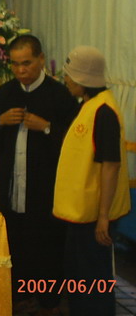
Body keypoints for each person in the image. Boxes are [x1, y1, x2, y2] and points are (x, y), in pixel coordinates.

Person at [0, 35, 79, 314]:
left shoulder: (59, 94)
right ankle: (18, 297)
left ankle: (49, 300)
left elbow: (77, 141)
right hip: (13, 188)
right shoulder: (6, 93)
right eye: (14, 64)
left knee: (47, 244)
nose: (20, 70)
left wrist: (46, 127)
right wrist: (0, 121)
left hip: (46, 190)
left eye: (26, 63)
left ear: (41, 59)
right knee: (16, 243)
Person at [53, 46, 131, 316]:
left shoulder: (104, 111)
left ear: (83, 78)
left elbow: (111, 166)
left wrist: (103, 217)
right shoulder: (88, 106)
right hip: (81, 211)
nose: (66, 79)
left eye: (69, 75)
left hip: (95, 215)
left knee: (93, 280)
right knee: (79, 276)